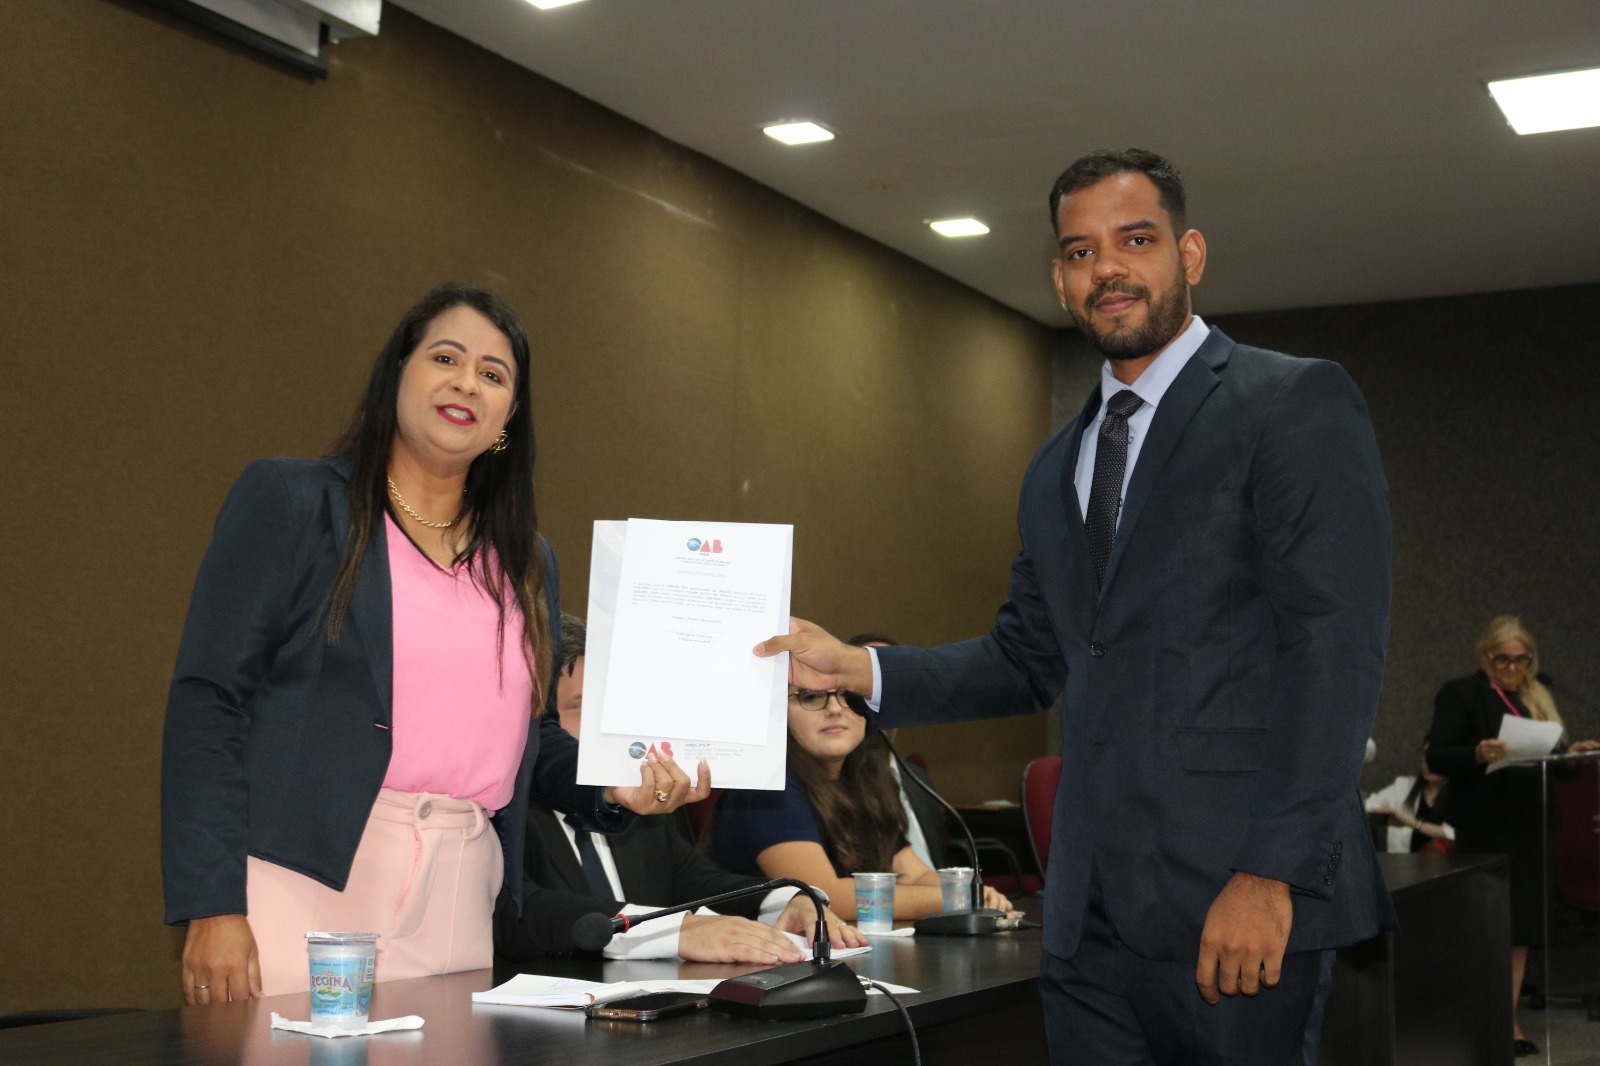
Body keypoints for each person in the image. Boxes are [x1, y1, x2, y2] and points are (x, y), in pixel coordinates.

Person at [757, 148, 1395, 1064]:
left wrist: (1269, 875)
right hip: (1087, 922)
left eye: (1136, 241)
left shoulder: (1290, 402)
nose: (1109, 270)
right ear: (1060, 279)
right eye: (1081, 252)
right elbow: (1029, 657)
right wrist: (860, 668)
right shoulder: (1057, 465)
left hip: (1238, 901)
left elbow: (1336, 653)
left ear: (1190, 254)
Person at [161, 283, 708, 1004]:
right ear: (398, 373)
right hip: (306, 875)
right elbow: (210, 702)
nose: (466, 383)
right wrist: (213, 904)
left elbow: (523, 740)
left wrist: (610, 781)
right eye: (445, 358)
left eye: (493, 374)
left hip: (461, 894)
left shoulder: (527, 560)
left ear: (509, 415)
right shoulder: (295, 502)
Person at [496, 614, 865, 962]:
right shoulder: (504, 809)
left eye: (611, 707)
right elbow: (522, 915)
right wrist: (677, 931)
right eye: (582, 707)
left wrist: (790, 899)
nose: (605, 725)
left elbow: (699, 882)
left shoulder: (636, 799)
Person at [1424, 615, 1599, 1058]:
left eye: (1521, 660)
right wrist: (1477, 752)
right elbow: (1437, 756)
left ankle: (1506, 1018)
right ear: (1485, 657)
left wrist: (1570, 756)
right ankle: (1483, 1018)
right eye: (1502, 659)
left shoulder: (1535, 696)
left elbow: (1550, 763)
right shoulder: (1462, 693)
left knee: (1520, 928)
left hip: (1532, 826)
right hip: (1487, 826)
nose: (1512, 668)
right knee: (1488, 926)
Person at [710, 684, 1016, 921]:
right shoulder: (766, 787)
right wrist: (958, 899)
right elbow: (824, 897)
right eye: (811, 696)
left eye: (849, 696)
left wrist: (975, 893)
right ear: (779, 712)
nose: (835, 709)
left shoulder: (867, 781)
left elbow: (916, 874)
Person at [844, 633, 948, 871]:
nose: (879, 694)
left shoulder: (917, 778)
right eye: (870, 680)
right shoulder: (836, 777)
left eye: (890, 679)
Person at [1363, 752, 1454, 854]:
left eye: (1435, 756)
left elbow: (1455, 833)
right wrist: (1382, 811)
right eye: (1425, 755)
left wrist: (1412, 823)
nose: (1427, 762)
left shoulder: (1461, 797)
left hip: (1448, 861)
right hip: (1405, 860)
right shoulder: (1404, 785)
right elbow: (1372, 803)